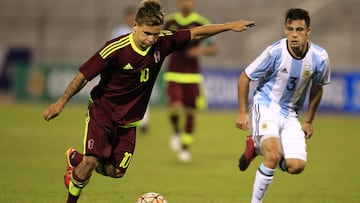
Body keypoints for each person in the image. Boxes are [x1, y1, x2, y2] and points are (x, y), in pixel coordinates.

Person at [43, 0, 255, 202]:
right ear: (135, 26)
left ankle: (75, 159)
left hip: (129, 121)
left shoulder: (163, 41)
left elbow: (197, 33)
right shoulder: (115, 49)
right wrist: (61, 102)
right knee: (92, 160)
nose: (151, 39)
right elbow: (83, 75)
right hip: (103, 112)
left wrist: (230, 26)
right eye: (147, 33)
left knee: (116, 171)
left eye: (155, 34)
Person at [235, 8, 330, 203]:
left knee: (296, 166)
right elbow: (245, 77)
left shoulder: (320, 57)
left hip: (290, 114)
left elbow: (317, 87)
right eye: (290, 29)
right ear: (285, 30)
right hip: (266, 106)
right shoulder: (275, 52)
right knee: (273, 154)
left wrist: (309, 121)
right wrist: (243, 112)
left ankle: (255, 146)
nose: (294, 34)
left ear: (308, 31)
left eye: (299, 29)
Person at [164, 0, 217, 162]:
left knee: (190, 112)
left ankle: (185, 148)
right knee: (175, 106)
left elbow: (213, 49)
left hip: (193, 75)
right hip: (173, 73)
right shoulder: (170, 22)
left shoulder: (201, 23)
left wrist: (200, 49)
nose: (185, 3)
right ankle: (175, 132)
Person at [111, 6, 151, 134]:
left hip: (139, 69)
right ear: (126, 17)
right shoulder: (118, 31)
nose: (131, 19)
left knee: (142, 94)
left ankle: (143, 122)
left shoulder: (142, 31)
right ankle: (118, 120)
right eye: (129, 17)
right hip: (123, 71)